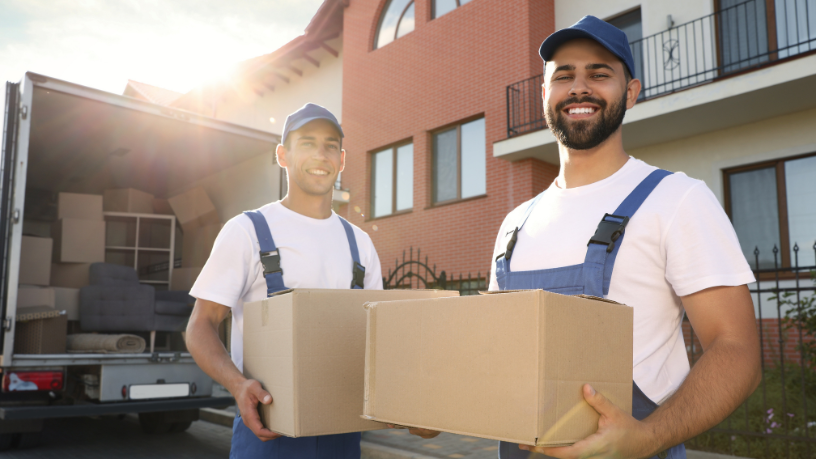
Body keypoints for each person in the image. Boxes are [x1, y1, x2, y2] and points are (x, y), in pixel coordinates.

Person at [488, 16, 761, 459]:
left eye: (599, 74)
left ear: (630, 92)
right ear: (545, 94)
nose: (579, 88)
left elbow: (738, 351)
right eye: (563, 76)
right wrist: (437, 410)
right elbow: (494, 354)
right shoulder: (515, 225)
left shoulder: (676, 199)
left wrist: (648, 438)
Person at [185, 103, 393, 458]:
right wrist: (238, 385)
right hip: (266, 432)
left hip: (344, 435)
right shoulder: (247, 230)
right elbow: (200, 325)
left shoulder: (360, 243)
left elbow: (381, 339)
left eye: (330, 145)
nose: (320, 155)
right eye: (307, 143)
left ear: (341, 160)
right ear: (283, 155)